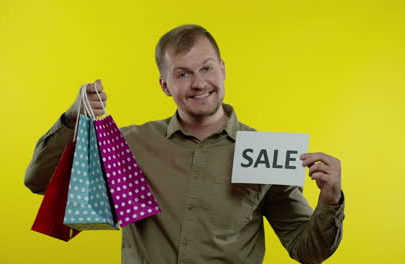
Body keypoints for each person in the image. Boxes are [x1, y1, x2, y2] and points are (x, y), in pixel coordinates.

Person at [25, 24, 345, 264]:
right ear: (165, 85)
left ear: (222, 70)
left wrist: (330, 200)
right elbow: (40, 181)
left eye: (206, 68)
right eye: (183, 74)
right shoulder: (129, 145)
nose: (199, 83)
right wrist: (72, 119)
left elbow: (308, 250)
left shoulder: (267, 153)